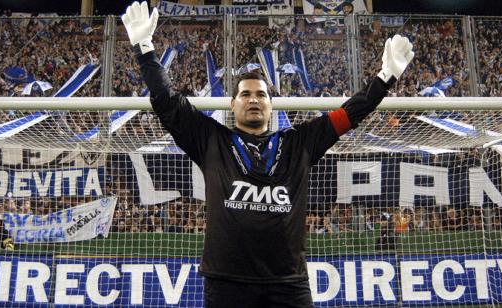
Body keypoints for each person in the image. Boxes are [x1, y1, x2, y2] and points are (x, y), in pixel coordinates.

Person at [121, 2, 413, 307]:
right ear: (232, 105)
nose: (253, 99)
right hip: (226, 282)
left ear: (271, 106)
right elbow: (167, 102)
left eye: (261, 94)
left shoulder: (300, 142)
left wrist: (385, 76)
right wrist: (144, 48)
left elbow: (350, 114)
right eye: (245, 94)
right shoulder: (211, 140)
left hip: (288, 283)